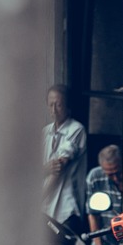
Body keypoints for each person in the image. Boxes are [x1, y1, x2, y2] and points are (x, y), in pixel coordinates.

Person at [43, 85, 86, 227]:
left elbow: (58, 168)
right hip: (46, 208)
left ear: (68, 107)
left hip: (66, 208)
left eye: (59, 105)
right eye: (50, 105)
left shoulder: (76, 129)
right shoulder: (45, 132)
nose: (53, 110)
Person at [85, 144, 123, 245]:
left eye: (117, 172)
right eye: (110, 174)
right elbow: (93, 215)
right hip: (105, 235)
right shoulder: (95, 176)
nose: (114, 178)